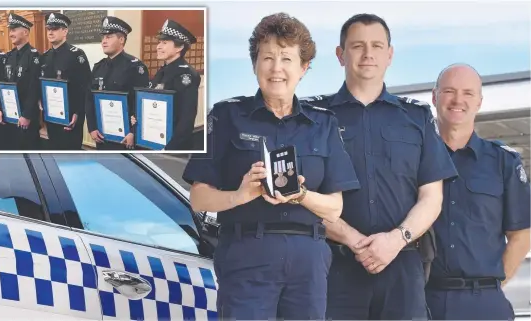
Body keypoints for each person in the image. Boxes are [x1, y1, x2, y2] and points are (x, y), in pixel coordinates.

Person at [182, 13, 360, 320]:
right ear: (255, 65)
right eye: (267, 57)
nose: (276, 68)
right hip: (246, 253)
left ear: (303, 68)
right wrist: (241, 194)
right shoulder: (226, 117)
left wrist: (300, 195)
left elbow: (334, 208)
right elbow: (198, 198)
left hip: (309, 261)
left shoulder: (323, 124)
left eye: (287, 58)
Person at [301, 13, 458, 320]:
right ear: (340, 54)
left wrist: (394, 240)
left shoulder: (416, 118)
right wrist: (354, 240)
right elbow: (300, 196)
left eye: (377, 45)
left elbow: (432, 197)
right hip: (334, 267)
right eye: (357, 45)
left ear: (390, 54)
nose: (368, 53)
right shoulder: (312, 118)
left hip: (402, 266)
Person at [425, 63, 530, 320]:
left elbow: (521, 235)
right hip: (425, 301)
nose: (458, 100)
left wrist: (489, 287)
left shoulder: (503, 162)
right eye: (449, 91)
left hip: (484, 303)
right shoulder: (415, 158)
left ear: (479, 102)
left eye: (468, 93)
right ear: (434, 97)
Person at [85, 16, 149, 150]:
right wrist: (92, 128)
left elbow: (140, 103)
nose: (103, 41)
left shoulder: (135, 67)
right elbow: (89, 99)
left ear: (121, 39)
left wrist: (133, 132)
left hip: (124, 137)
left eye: (109, 37)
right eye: (103, 38)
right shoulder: (98, 67)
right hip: (101, 134)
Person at [41, 12, 91, 150]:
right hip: (52, 115)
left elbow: (85, 86)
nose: (50, 32)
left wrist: (77, 112)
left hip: (70, 116)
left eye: (55, 29)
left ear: (65, 31)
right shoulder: (45, 57)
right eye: (49, 29)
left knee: (70, 152)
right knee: (54, 150)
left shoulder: (76, 54)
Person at [149, 19, 201, 150]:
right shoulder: (162, 71)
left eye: (164, 43)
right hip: (155, 139)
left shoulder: (187, 75)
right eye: (159, 42)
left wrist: (169, 148)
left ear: (179, 47)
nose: (158, 46)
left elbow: (186, 119)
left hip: (173, 147)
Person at [0, 13, 41, 150]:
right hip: (8, 115)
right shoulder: (9, 56)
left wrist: (27, 115)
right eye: (10, 30)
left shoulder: (34, 57)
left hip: (25, 116)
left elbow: (35, 88)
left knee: (27, 153)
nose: (10, 34)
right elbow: (3, 83)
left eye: (14, 29)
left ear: (25, 32)